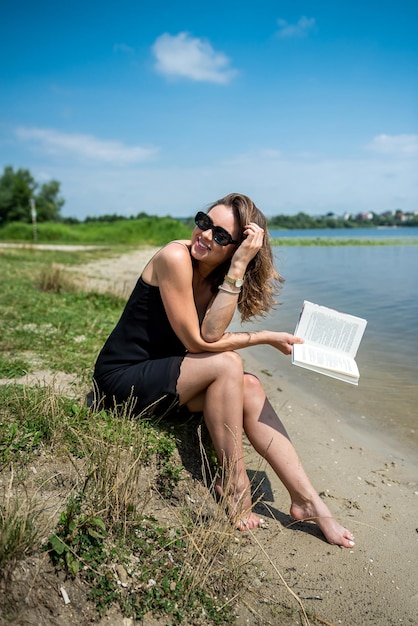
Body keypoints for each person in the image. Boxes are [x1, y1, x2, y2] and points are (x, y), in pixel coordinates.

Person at [93, 192, 355, 548]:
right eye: (204, 222)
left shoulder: (219, 276)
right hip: (122, 380)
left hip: (168, 379)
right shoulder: (174, 256)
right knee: (228, 363)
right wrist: (262, 336)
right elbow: (199, 344)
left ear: (237, 248)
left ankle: (306, 499)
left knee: (251, 388)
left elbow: (211, 333)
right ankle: (235, 483)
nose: (204, 235)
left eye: (220, 235)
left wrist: (236, 269)